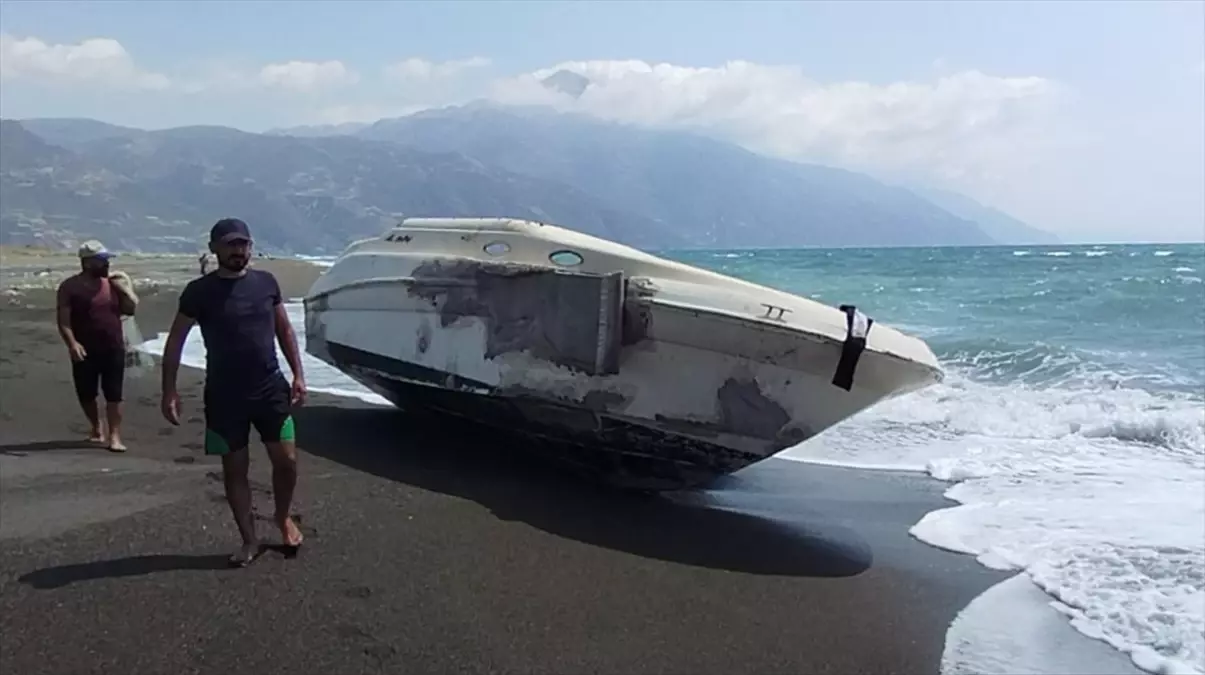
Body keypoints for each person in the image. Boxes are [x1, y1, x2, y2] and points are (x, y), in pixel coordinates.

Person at [160, 218, 308, 567]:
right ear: (214, 249)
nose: (237, 250)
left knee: (286, 461)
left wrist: (298, 375)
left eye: (243, 243)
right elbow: (175, 342)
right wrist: (169, 391)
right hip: (225, 396)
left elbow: (284, 330)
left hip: (270, 387)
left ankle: (282, 517)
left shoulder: (266, 283)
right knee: (235, 470)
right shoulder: (198, 292)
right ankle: (249, 540)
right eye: (230, 244)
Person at [56, 240, 136, 452]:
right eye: (103, 261)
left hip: (113, 346)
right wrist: (72, 343)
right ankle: (96, 427)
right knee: (86, 393)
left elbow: (130, 310)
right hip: (84, 349)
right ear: (88, 263)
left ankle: (115, 436)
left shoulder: (113, 284)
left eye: (107, 260)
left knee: (114, 394)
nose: (107, 265)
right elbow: (63, 320)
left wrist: (125, 291)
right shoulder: (69, 287)